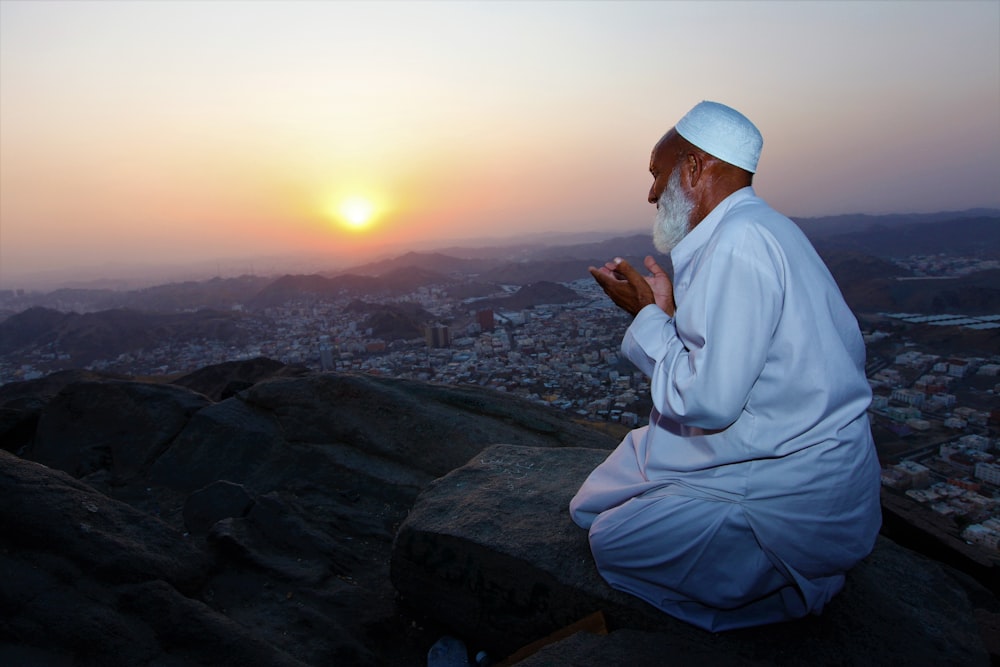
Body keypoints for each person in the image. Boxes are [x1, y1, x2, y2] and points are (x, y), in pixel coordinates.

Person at [569, 101, 881, 632]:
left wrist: (645, 314)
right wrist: (666, 312)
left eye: (656, 173)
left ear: (693, 168)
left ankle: (787, 592)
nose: (650, 193)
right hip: (782, 453)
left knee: (611, 539)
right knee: (595, 499)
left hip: (789, 487)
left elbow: (708, 402)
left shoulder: (738, 245)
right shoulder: (758, 230)